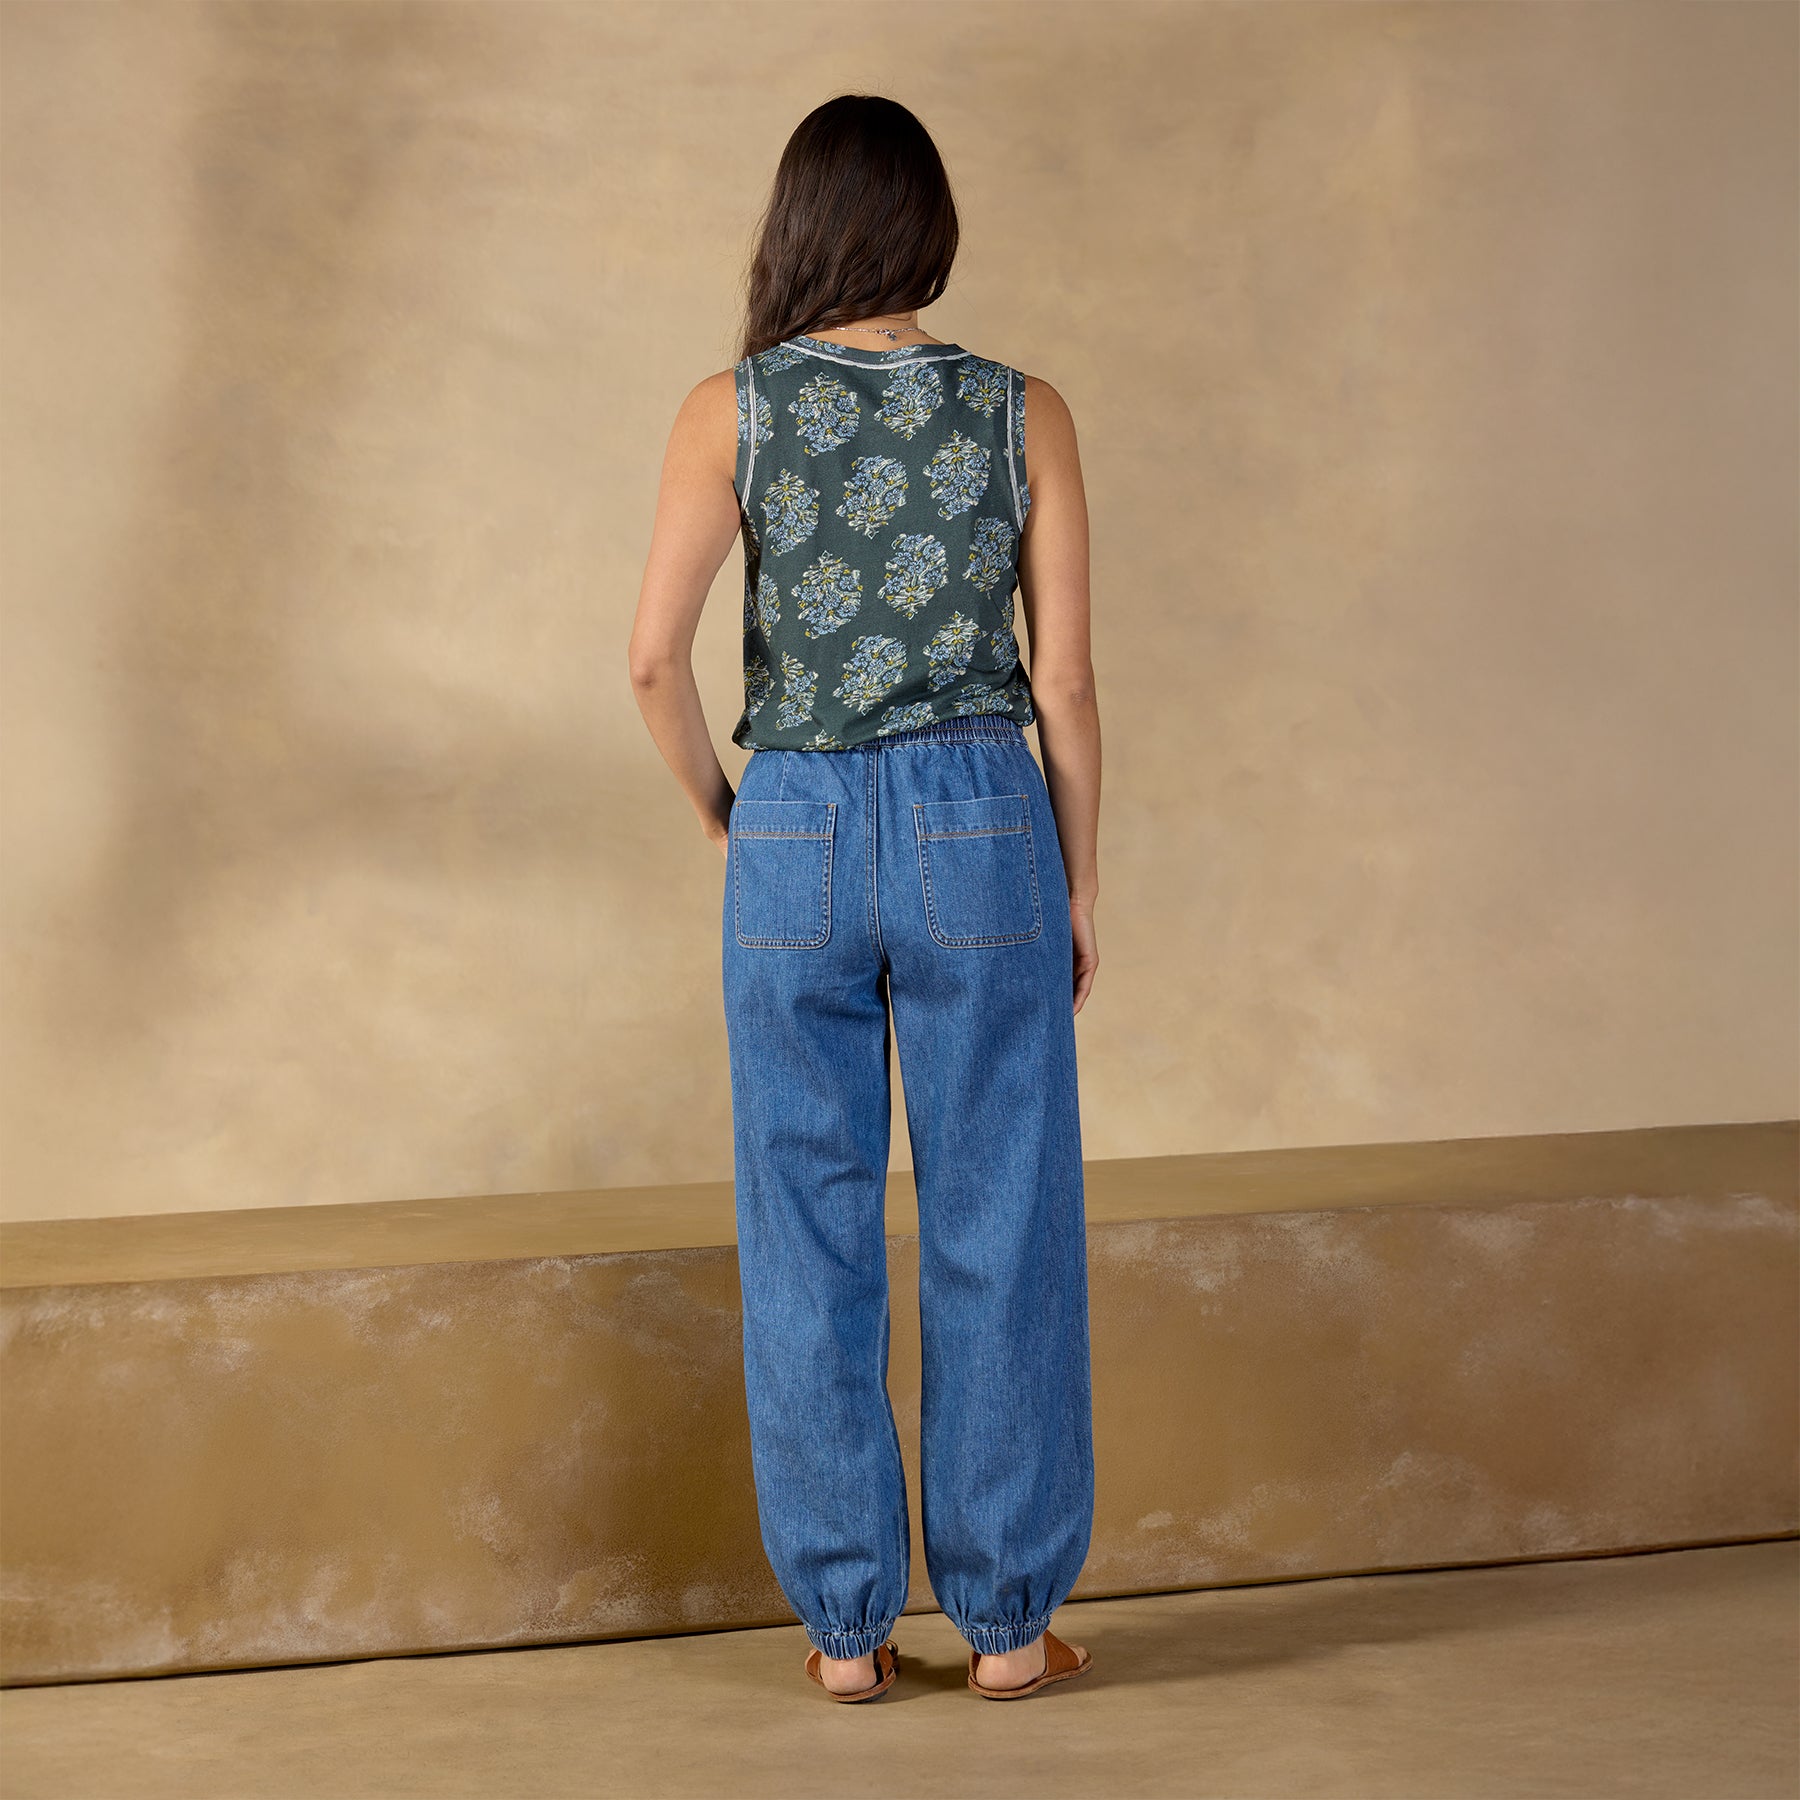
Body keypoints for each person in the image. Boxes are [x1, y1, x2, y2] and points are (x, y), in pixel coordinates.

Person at [628, 93, 1100, 1702]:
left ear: (797, 227)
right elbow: (1068, 687)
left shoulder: (730, 410)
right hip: (982, 821)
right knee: (1000, 1212)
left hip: (798, 824)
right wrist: (1077, 880)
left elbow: (652, 661)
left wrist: (730, 821)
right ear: (929, 226)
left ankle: (846, 1633)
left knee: (805, 1219)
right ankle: (1010, 1626)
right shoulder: (1022, 410)